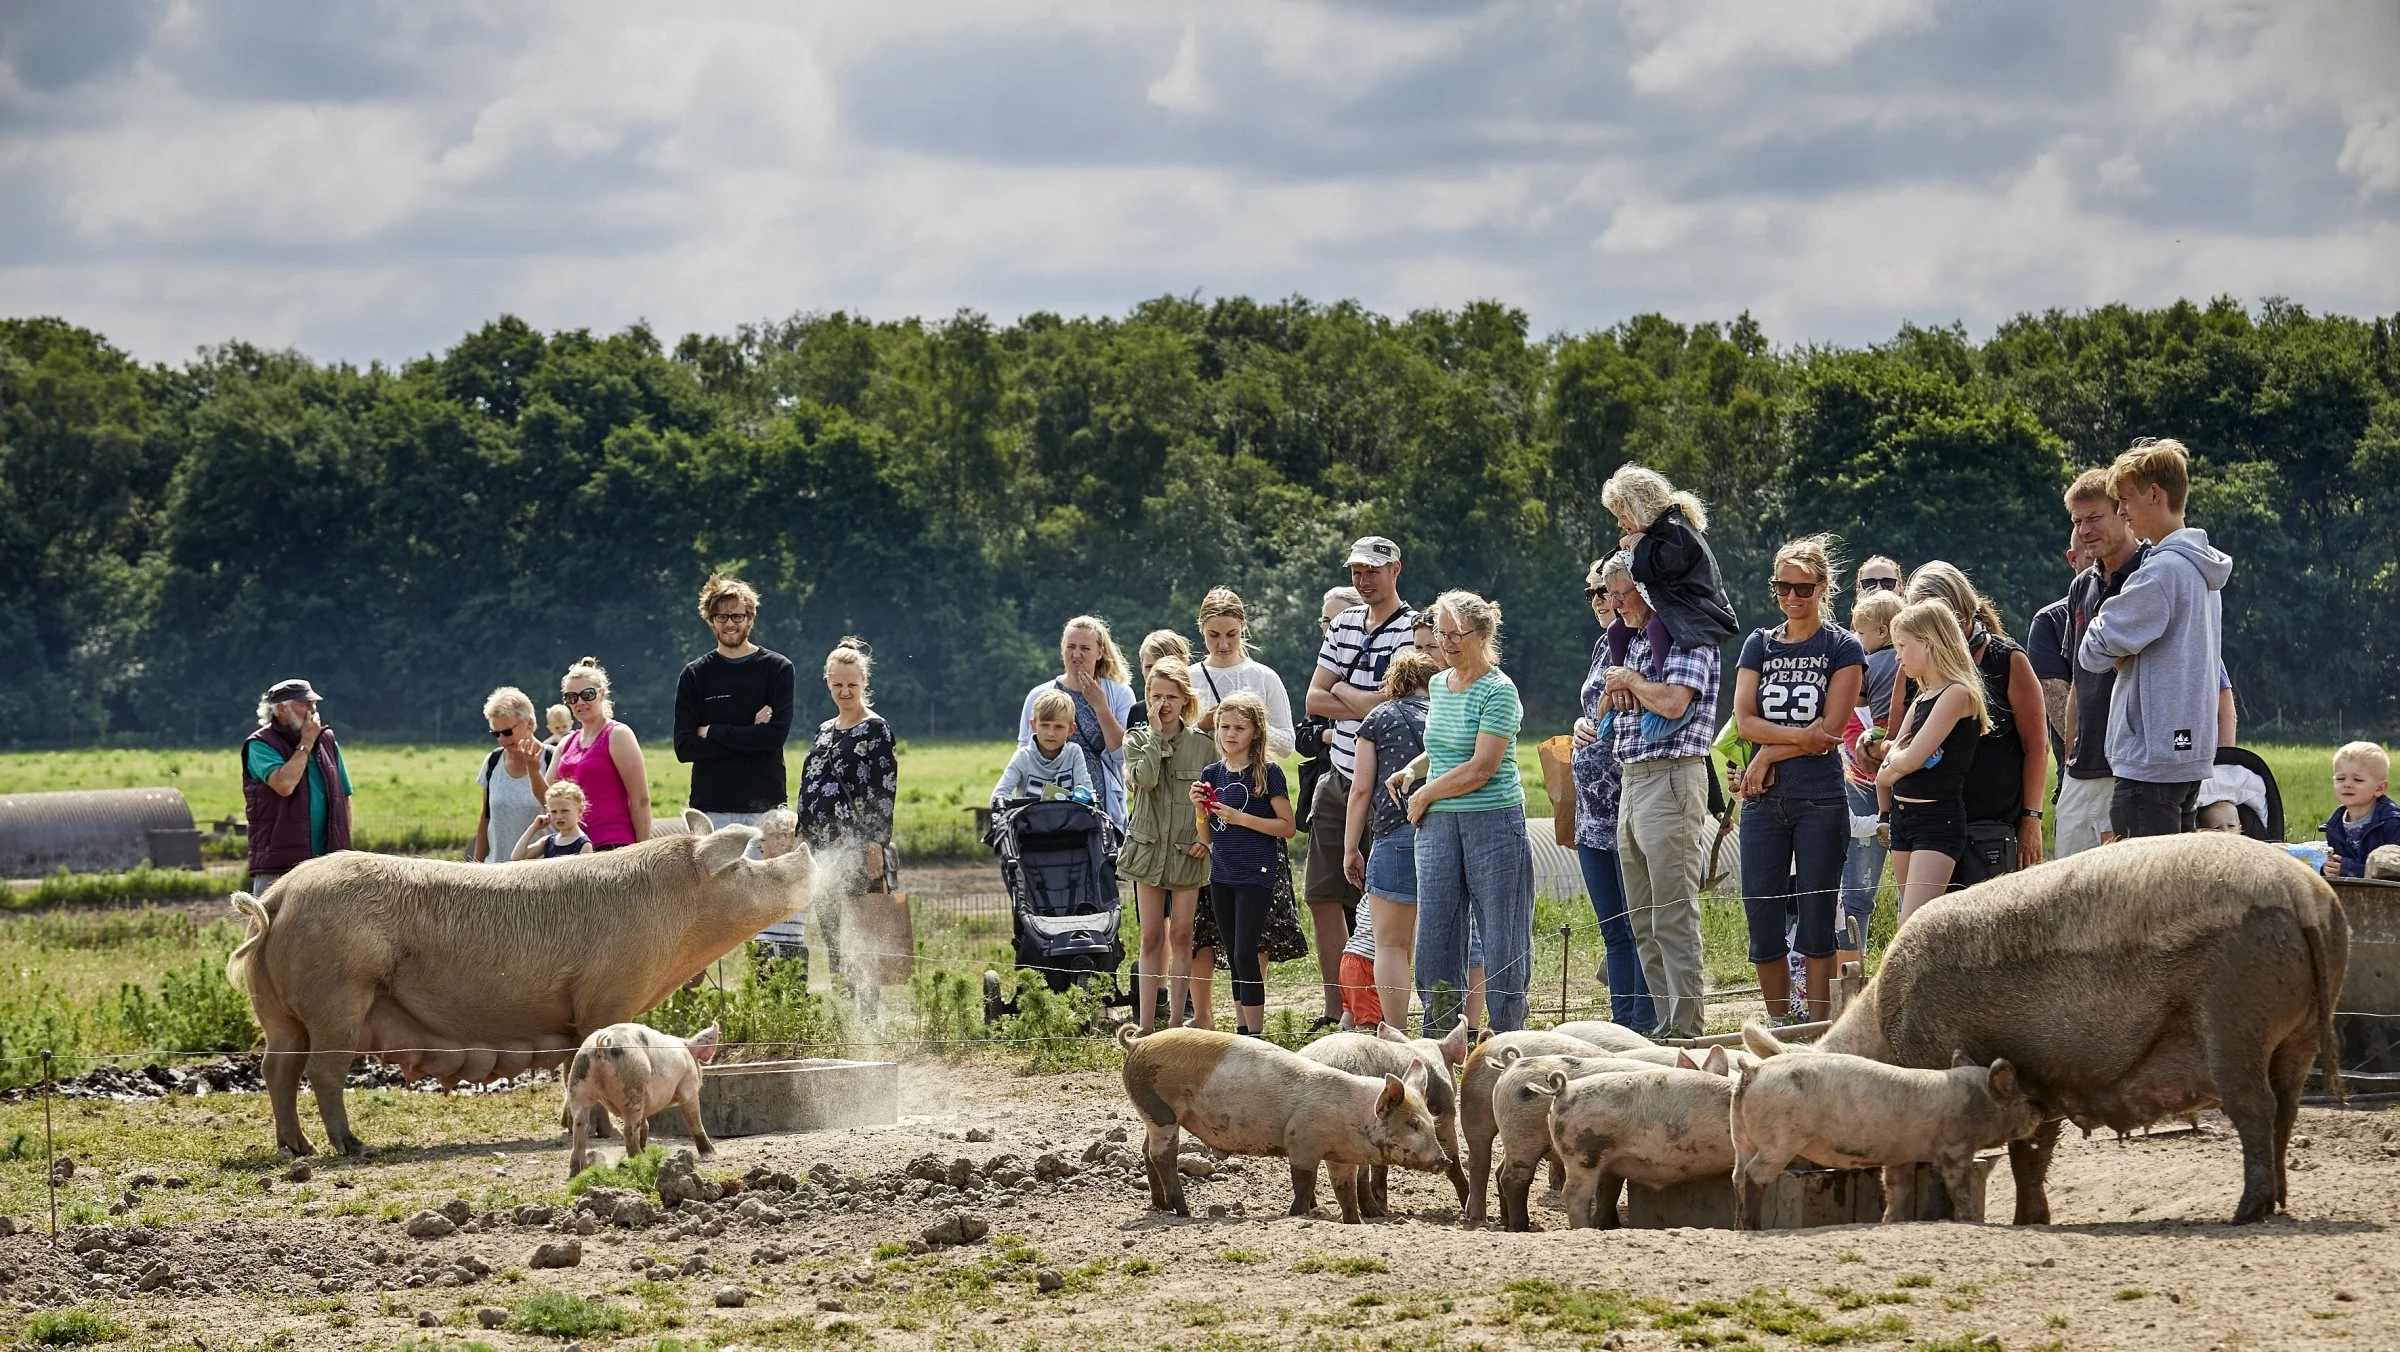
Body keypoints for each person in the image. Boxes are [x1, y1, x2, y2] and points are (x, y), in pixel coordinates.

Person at [1732, 537, 1864, 1026]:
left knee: (1815, 914)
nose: (1792, 597)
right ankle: (1780, 1024)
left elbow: (1831, 732)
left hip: (1821, 799)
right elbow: (1744, 720)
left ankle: (1816, 1025)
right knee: (1762, 913)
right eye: (1782, 587)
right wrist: (1775, 747)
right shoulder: (1758, 644)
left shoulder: (1841, 646)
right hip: (1763, 801)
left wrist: (1768, 751)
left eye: (1803, 589)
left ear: (1822, 588)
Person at [2078, 439, 2234, 838]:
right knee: (2176, 893)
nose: (2122, 512)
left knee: (2145, 899)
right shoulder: (2203, 570)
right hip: (2187, 758)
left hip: (2149, 765)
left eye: (2126, 499)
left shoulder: (2160, 573)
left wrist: (2117, 641)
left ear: (2154, 493)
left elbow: (2092, 652)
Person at [1404, 591, 1535, 1036]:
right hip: (1440, 827)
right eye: (1441, 633)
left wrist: (1423, 795)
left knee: (1502, 935)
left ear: (1482, 634)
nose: (1446, 642)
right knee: (1436, 935)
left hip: (1493, 823)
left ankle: (1507, 1036)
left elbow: (1481, 767)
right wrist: (1413, 769)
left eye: (1456, 633)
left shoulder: (1499, 690)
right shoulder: (1440, 684)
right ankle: (1440, 1037)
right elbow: (1442, 748)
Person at [1600, 562, 1721, 1038]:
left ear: (1650, 589)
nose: (1616, 603)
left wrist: (1631, 684)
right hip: (1632, 777)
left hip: (1672, 775)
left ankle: (1688, 1028)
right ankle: (1667, 1022)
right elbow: (1605, 704)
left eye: (1624, 592)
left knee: (1671, 913)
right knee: (1642, 918)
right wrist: (1627, 686)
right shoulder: (1630, 641)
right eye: (1610, 594)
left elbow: (1673, 703)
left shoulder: (1687, 635)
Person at [1304, 539, 1415, 1030]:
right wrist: (1365, 699)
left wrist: (1344, 694)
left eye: (1372, 570)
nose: (1363, 580)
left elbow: (1393, 705)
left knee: (1389, 904)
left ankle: (1383, 1012)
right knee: (1323, 893)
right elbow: (1312, 698)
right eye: (1356, 571)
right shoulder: (1345, 623)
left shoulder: (1413, 630)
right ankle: (1339, 1007)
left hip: (1389, 785)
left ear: (1395, 570)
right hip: (1339, 775)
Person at [1905, 561, 2047, 884]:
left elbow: (2037, 746)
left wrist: (2031, 819)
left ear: (1957, 613)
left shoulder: (2008, 660)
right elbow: (1899, 737)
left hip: (1991, 830)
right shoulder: (1914, 665)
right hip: (1929, 827)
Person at [776, 639, 900, 982]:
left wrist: (876, 845)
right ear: (828, 683)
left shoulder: (876, 729)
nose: (845, 692)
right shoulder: (824, 730)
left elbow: (883, 789)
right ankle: (842, 1010)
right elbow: (810, 781)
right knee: (833, 938)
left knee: (862, 938)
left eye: (852, 685)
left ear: (864, 683)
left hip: (858, 851)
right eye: (838, 684)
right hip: (821, 851)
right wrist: (801, 830)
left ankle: (869, 1015)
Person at [1571, 555, 1651, 1033]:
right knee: (1613, 929)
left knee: (1639, 923)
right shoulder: (1606, 643)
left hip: (1628, 800)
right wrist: (1581, 723)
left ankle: (1645, 1020)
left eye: (1605, 591)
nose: (1599, 601)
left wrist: (1599, 714)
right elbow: (1596, 710)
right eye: (1592, 594)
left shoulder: (1640, 641)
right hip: (1591, 813)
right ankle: (1622, 1024)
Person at [1344, 649, 1444, 1032]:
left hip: (1394, 834)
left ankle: (1398, 1032)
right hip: (1444, 831)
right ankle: (1447, 1026)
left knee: (1390, 946)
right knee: (1443, 942)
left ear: (1393, 683)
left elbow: (1361, 789)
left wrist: (1352, 848)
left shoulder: (1379, 718)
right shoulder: (1446, 714)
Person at [1875, 601, 1991, 925]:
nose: (1897, 656)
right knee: (1908, 921)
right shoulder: (1921, 698)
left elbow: (1909, 758)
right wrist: (1898, 760)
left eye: (1901, 646)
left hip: (1937, 819)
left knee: (1913, 922)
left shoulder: (1957, 694)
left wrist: (1897, 759)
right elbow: (1885, 773)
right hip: (1901, 817)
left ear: (1927, 643)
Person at [1192, 692, 1295, 1037]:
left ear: (1255, 732)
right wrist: (1199, 810)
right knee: (1233, 955)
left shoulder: (1268, 773)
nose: (1230, 734)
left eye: (1239, 727)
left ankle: (1255, 1033)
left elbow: (1287, 827)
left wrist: (1241, 818)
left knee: (1245, 951)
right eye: (1224, 726)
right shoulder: (1212, 773)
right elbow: (1207, 836)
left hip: (1257, 873)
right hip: (1222, 874)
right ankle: (1241, 1030)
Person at [1123, 656, 1214, 1034]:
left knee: (1182, 935)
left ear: (1185, 701)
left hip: (1187, 853)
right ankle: (1146, 1026)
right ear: (1147, 699)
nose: (1163, 704)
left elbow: (1213, 800)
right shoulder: (1135, 740)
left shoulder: (1205, 747)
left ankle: (1176, 1024)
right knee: (1150, 935)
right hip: (1146, 851)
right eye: (1156, 696)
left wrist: (1204, 838)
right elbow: (1143, 781)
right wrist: (1157, 737)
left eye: (1171, 697)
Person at [673, 575, 796, 840]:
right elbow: (685, 748)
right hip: (710, 811)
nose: (730, 624)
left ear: (750, 618)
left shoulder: (778, 669)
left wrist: (713, 732)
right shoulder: (694, 675)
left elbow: (774, 737)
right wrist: (752, 732)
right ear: (710, 620)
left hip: (765, 810)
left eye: (737, 616)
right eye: (721, 617)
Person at [1600, 464, 1737, 672]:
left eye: (1623, 515)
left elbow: (1660, 566)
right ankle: (1616, 680)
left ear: (1639, 508)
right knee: (1616, 629)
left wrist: (1638, 543)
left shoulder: (1677, 530)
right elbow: (1615, 565)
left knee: (1656, 626)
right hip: (1670, 605)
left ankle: (1664, 682)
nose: (1620, 523)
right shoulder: (1655, 532)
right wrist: (1622, 549)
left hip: (1695, 612)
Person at [1836, 588, 1905, 958]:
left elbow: (1855, 701)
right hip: (1906, 759)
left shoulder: (1867, 665)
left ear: (1881, 631)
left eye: (1861, 634)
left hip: (1874, 747)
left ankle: (1853, 967)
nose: (1857, 641)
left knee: (1857, 893)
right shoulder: (1909, 662)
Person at [1016, 616, 1135, 825]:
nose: (1076, 654)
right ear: (1062, 649)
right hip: (1046, 801)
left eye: (1085, 648)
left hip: (1101, 806)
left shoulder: (1120, 694)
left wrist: (1101, 707)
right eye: (1070, 646)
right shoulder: (1038, 695)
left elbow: (1121, 755)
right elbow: (1024, 752)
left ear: (1100, 652)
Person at [241, 677, 354, 891]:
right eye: (304, 704)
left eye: (314, 703)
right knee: (270, 924)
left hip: (326, 865)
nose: (312, 710)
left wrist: (344, 852)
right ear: (281, 709)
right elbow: (284, 785)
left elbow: (344, 797)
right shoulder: (260, 745)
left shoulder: (327, 741)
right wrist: (306, 743)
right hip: (279, 866)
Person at [553, 656, 652, 849]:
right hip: (575, 848)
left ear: (602, 694)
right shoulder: (566, 743)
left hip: (613, 846)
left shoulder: (617, 735)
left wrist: (642, 853)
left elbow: (640, 799)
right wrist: (532, 768)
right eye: (572, 698)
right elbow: (547, 797)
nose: (580, 702)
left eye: (587, 694)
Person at [1191, 588, 1297, 761]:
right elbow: (1171, 742)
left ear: (1243, 626)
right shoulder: (1188, 678)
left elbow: (1287, 746)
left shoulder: (1264, 677)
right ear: (1201, 629)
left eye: (1231, 634)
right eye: (1214, 635)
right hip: (1199, 784)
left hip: (1252, 783)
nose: (1223, 644)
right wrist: (1202, 727)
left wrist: (1252, 724)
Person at [2026, 536, 2084, 794]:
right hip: (2079, 774)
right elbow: (2060, 713)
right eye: (2093, 558)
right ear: (2073, 559)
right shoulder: (2051, 620)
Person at [471, 686, 551, 864]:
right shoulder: (492, 762)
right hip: (497, 872)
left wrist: (534, 770)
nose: (501, 739)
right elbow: (486, 816)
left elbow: (563, 812)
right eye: (495, 733)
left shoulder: (553, 759)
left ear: (529, 724)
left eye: (507, 732)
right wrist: (476, 864)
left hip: (543, 875)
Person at [994, 690, 1094, 802]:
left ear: (1071, 730)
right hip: (1029, 819)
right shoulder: (1023, 757)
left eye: (1059, 727)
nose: (1051, 733)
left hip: (1067, 818)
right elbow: (998, 795)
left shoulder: (1073, 753)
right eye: (1045, 725)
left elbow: (1086, 793)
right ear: (1034, 725)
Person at [2324, 742, 2400, 878]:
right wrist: (2329, 869)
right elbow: (2338, 865)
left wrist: (2349, 869)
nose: (2347, 784)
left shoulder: (2393, 823)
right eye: (2340, 778)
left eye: (2357, 780)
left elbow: (2394, 871)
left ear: (2379, 789)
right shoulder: (2334, 827)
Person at [1127, 630, 1194, 730]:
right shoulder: (1136, 711)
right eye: (1149, 667)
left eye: (1163, 667)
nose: (1154, 673)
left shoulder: (1194, 710)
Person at [512, 780, 593, 859]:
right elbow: (517, 857)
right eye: (554, 812)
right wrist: (533, 827)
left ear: (579, 811)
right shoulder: (548, 841)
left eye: (565, 811)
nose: (559, 816)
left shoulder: (584, 845)